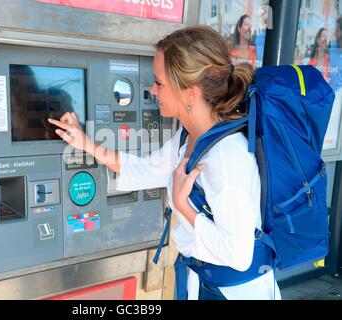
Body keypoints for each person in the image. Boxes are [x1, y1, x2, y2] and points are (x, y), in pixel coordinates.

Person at [48, 26, 281, 300]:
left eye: (159, 82)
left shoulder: (227, 157)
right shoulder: (189, 138)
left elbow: (238, 255)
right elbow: (146, 170)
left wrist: (184, 206)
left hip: (231, 291)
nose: (151, 89)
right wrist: (85, 142)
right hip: (200, 279)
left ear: (190, 92)